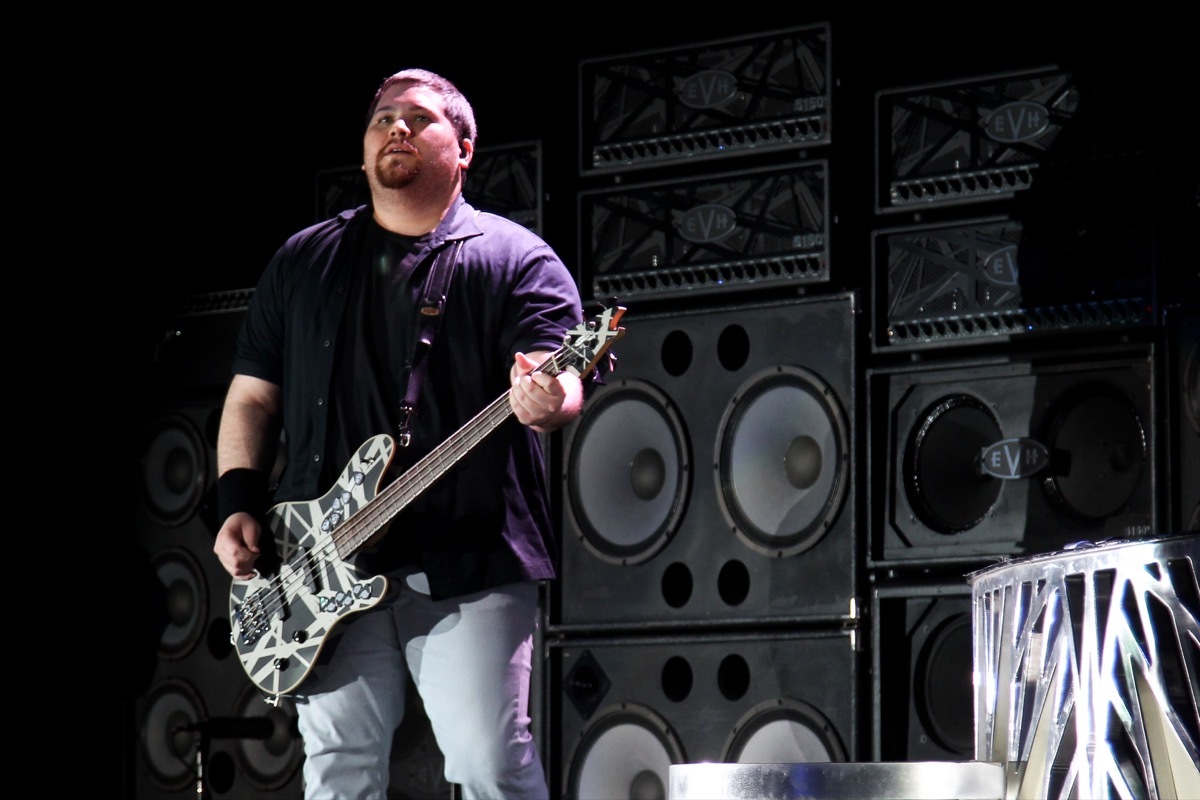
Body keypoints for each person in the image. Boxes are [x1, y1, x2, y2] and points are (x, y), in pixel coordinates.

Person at [212, 67, 587, 799]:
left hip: (469, 560)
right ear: (362, 151)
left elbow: (556, 372)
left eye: (419, 117)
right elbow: (253, 398)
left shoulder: (515, 259)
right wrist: (235, 501)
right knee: (338, 774)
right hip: (317, 560)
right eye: (383, 117)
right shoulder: (303, 260)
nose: (397, 128)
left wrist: (551, 396)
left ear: (466, 149)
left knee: (488, 766)